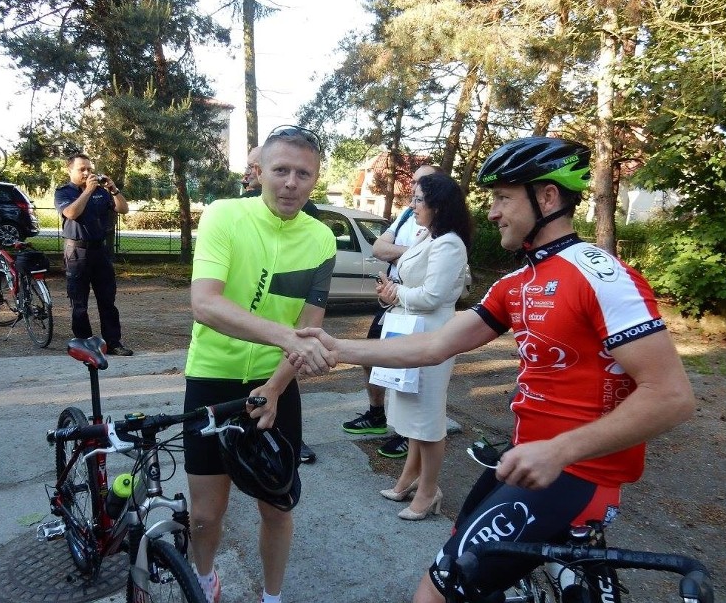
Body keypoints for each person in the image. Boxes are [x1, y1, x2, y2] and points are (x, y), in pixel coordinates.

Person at [293, 137, 696, 602]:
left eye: (503, 197)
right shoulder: (517, 283)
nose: (491, 212)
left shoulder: (597, 273)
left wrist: (560, 451)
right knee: (465, 557)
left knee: (433, 593)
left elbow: (670, 395)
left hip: (573, 473)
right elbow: (435, 345)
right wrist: (336, 346)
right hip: (527, 461)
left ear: (547, 198)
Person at [183, 125, 336, 603]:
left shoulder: (322, 238)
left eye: (303, 174)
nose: (291, 182)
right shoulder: (224, 215)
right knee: (207, 513)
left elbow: (309, 328)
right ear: (259, 172)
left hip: (276, 382)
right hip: (212, 377)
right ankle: (204, 580)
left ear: (315, 179)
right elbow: (205, 304)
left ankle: (272, 597)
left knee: (277, 505)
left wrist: (273, 386)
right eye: (281, 170)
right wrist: (284, 335)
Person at [374, 172, 471, 520]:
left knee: (427, 417)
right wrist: (392, 292)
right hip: (409, 328)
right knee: (410, 411)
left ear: (437, 205)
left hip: (432, 335)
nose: (411, 205)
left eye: (417, 199)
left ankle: (429, 491)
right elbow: (408, 281)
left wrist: (396, 292)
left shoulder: (449, 243)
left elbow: (432, 296)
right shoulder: (425, 235)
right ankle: (409, 477)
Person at [342, 163, 438, 459]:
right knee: (372, 355)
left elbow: (437, 257)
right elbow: (378, 249)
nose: (414, 193)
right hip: (391, 298)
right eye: (414, 185)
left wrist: (401, 252)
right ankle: (376, 414)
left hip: (413, 302)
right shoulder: (408, 214)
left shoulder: (443, 223)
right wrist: (413, 252)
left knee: (408, 367)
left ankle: (407, 432)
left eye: (422, 187)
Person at [242, 144, 319, 465]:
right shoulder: (236, 208)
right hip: (237, 334)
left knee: (284, 379)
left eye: (252, 165)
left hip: (283, 333)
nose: (246, 172)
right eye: (248, 167)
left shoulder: (307, 213)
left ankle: (292, 440)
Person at [55, 152, 133, 355]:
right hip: (77, 251)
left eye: (89, 169)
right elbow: (71, 213)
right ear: (69, 170)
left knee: (107, 299)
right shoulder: (64, 192)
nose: (87, 172)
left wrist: (113, 189)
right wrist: (87, 191)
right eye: (82, 169)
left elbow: (123, 209)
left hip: (100, 250)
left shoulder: (101, 191)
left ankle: (113, 343)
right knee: (79, 302)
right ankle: (85, 344)